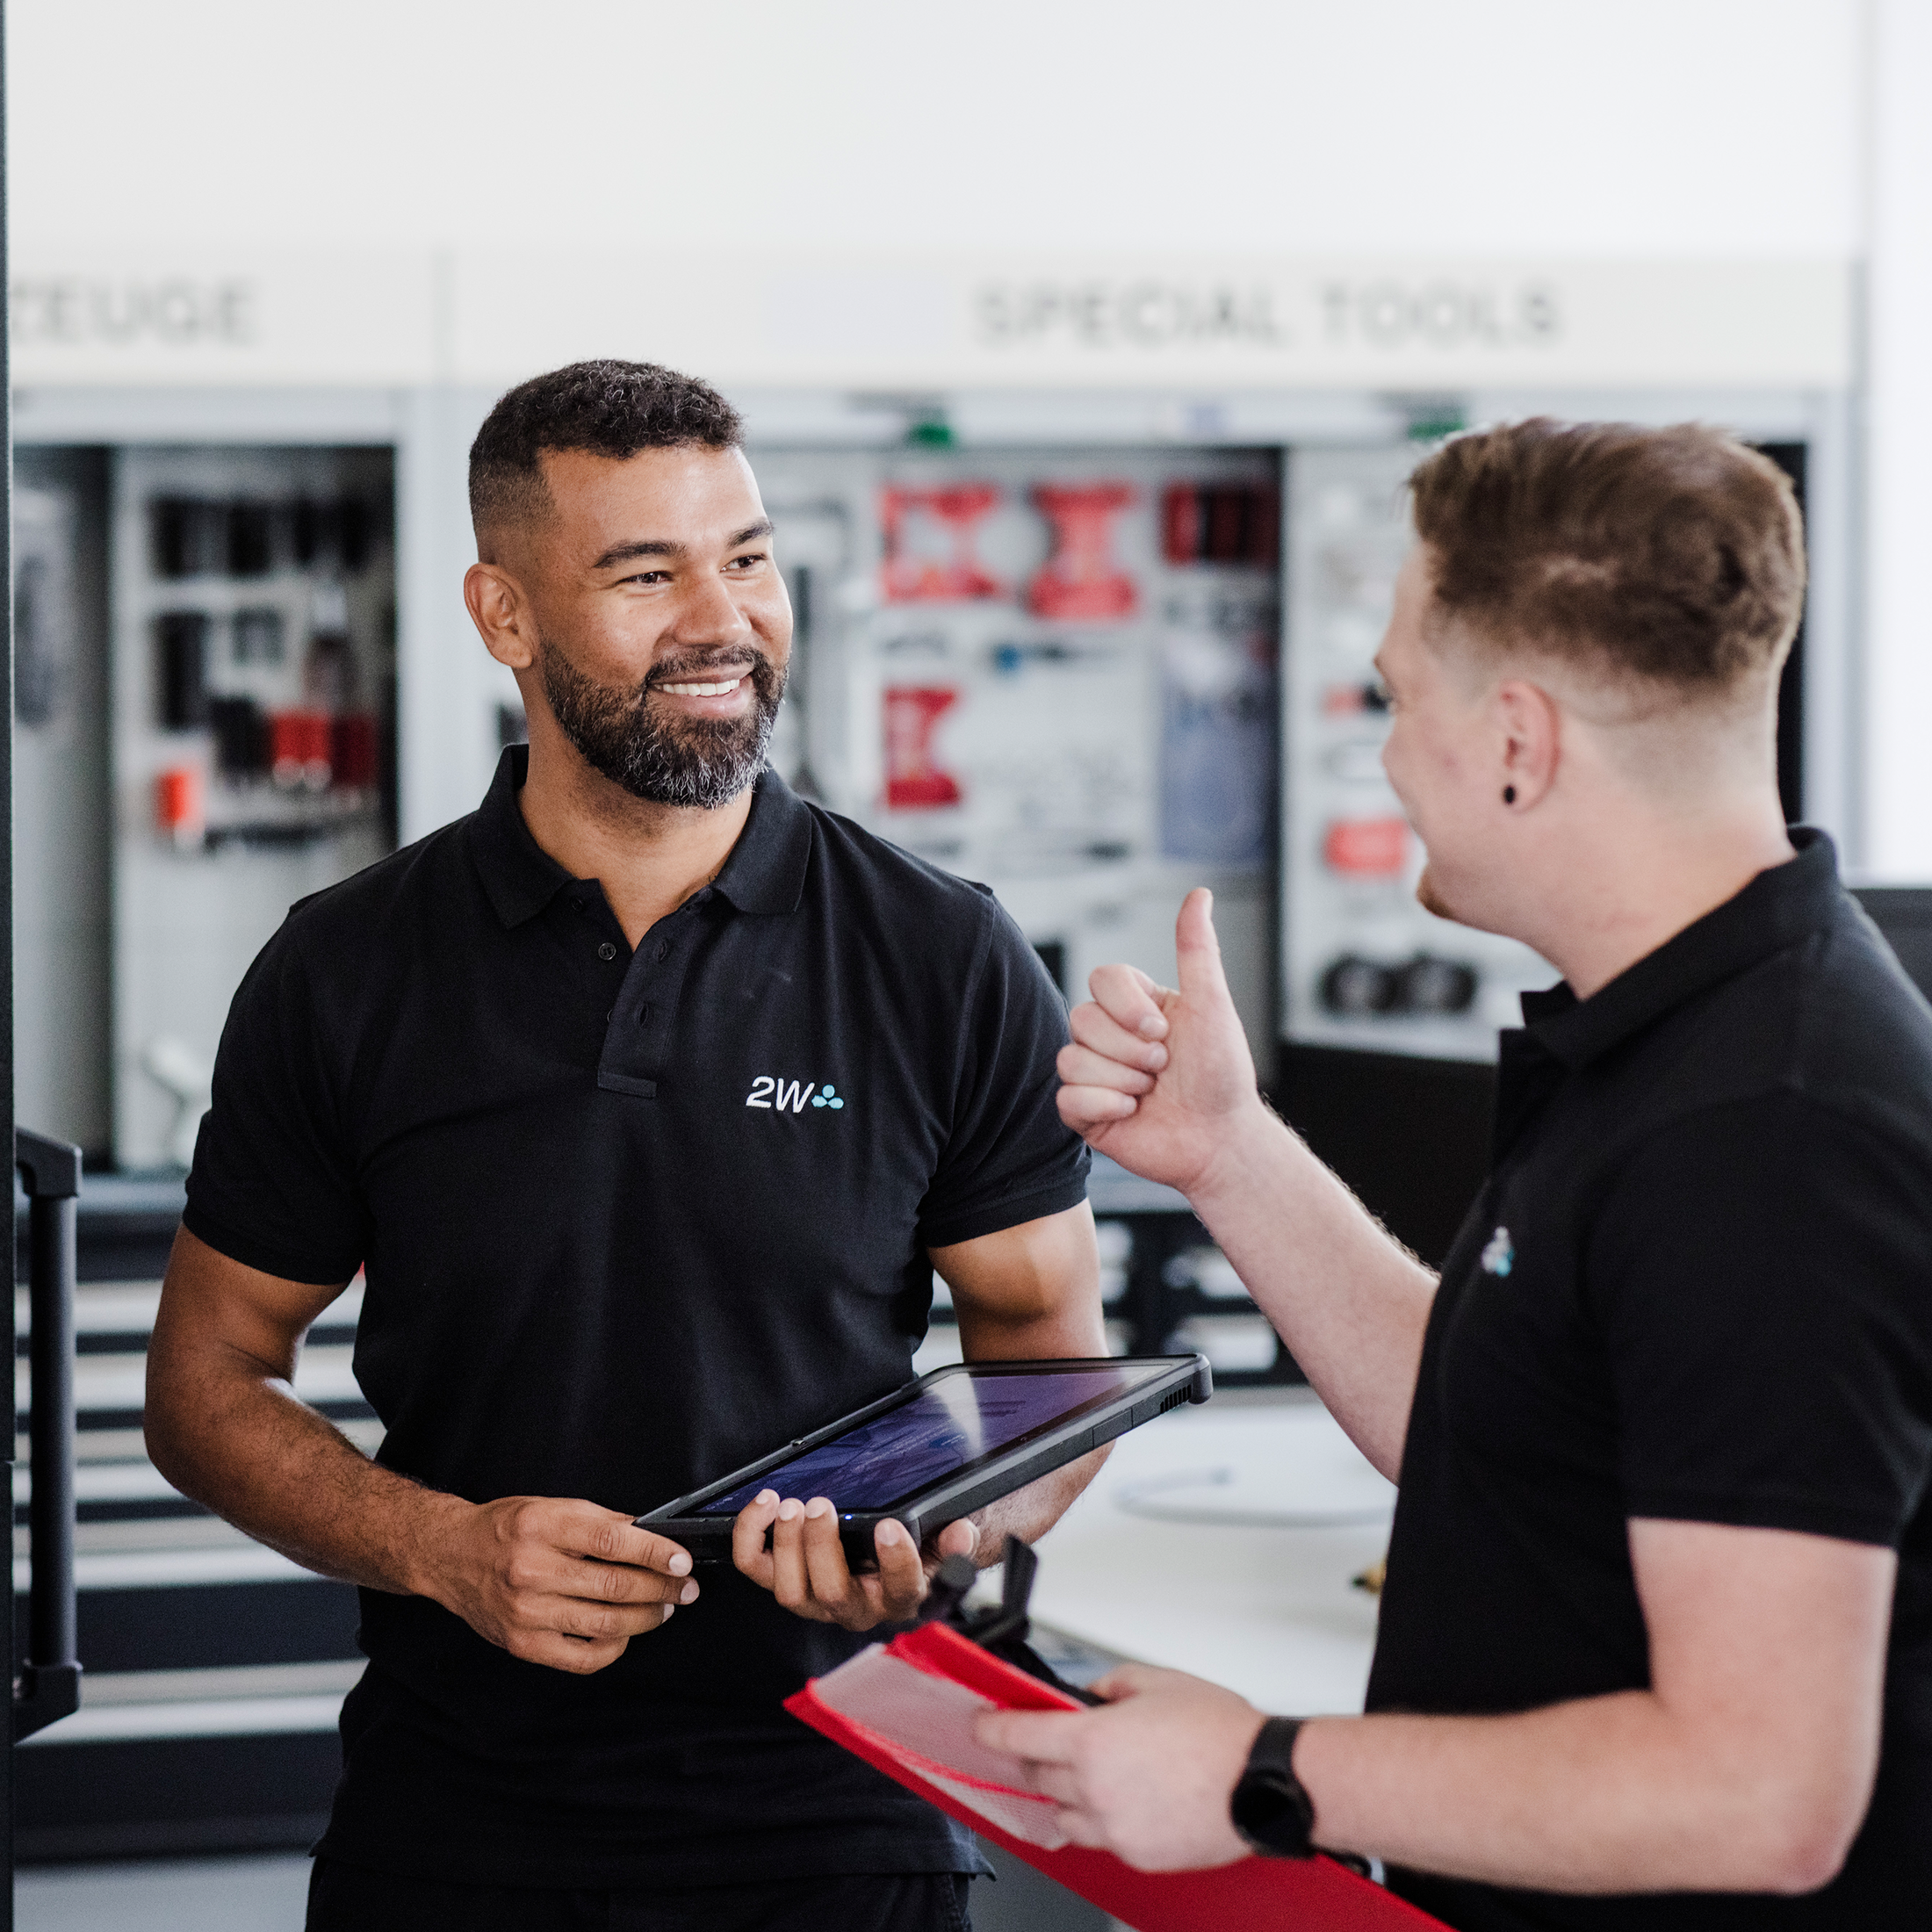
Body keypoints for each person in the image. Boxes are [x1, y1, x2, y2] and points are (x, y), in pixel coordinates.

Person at [144, 359, 1108, 1932]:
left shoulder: (942, 957)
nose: (722, 621)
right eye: (646, 574)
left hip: (848, 1812)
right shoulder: (348, 969)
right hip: (454, 1826)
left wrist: (943, 1528)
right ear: (504, 615)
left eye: (745, 556)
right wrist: (442, 1548)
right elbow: (203, 1382)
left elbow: (1043, 1349)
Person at [976, 419, 1932, 1928]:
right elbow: (1500, 1426)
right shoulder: (1673, 1039)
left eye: (1398, 697)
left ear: (1516, 743)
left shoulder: (1772, 1135)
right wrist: (1227, 1151)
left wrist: (1261, 1773)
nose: (1385, 750)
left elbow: (1762, 1791)